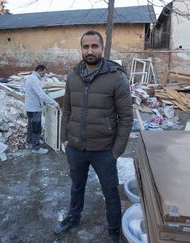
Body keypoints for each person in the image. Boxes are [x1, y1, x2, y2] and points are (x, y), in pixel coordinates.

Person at [54, 30, 133, 242]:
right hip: (76, 148)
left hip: (104, 150)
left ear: (102, 48)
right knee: (76, 187)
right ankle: (73, 218)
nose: (90, 51)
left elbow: (126, 117)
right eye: (85, 46)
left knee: (110, 192)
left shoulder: (116, 77)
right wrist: (65, 138)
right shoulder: (72, 76)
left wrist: (117, 151)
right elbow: (67, 109)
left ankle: (114, 229)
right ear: (81, 49)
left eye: (94, 46)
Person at [24, 64, 59, 154]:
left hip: (30, 107)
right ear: (39, 70)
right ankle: (36, 148)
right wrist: (54, 103)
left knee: (31, 126)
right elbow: (41, 94)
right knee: (36, 127)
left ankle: (30, 142)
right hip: (34, 107)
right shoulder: (34, 79)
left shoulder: (31, 78)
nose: (44, 74)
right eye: (44, 72)